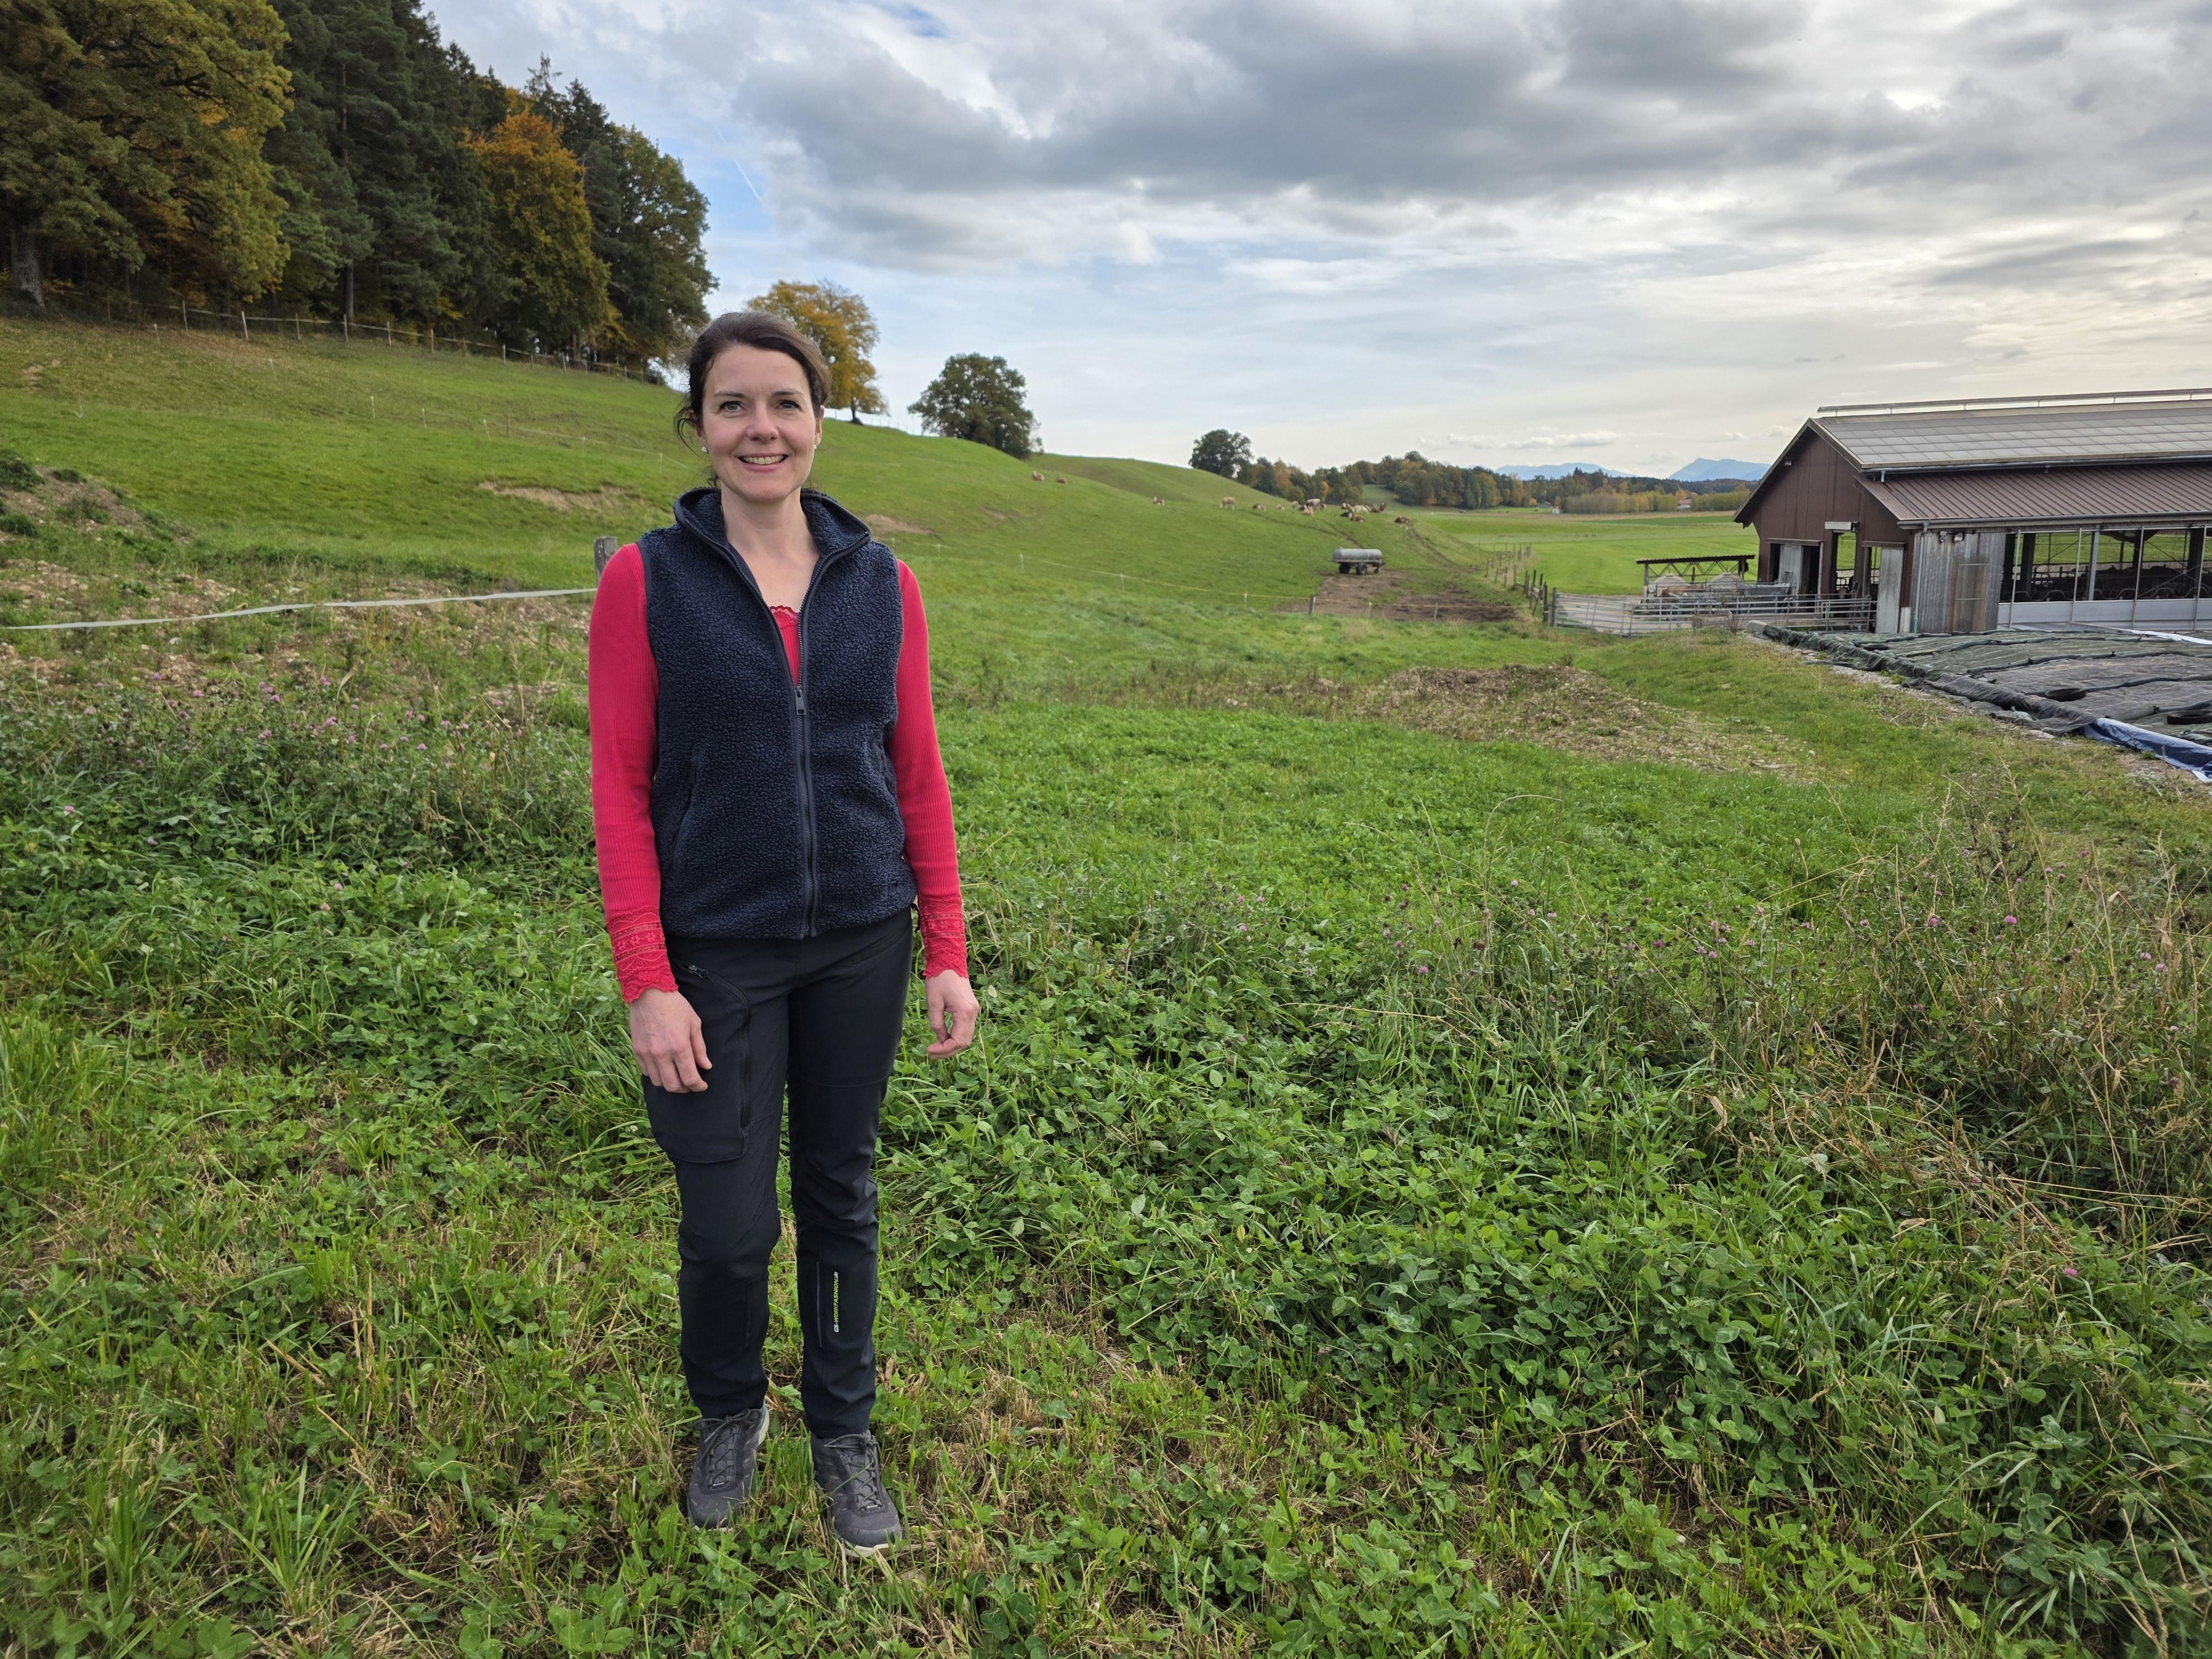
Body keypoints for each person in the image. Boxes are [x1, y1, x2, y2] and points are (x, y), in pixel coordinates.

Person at [588, 310, 980, 1554]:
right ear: (699, 427)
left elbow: (914, 771)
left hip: (861, 935)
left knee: (841, 1194)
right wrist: (647, 977)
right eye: (734, 405)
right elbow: (618, 782)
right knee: (726, 1218)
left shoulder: (884, 582)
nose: (762, 428)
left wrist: (947, 948)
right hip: (718, 953)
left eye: (786, 404)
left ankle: (842, 1429)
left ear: (819, 422)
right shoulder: (644, 578)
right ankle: (726, 1413)